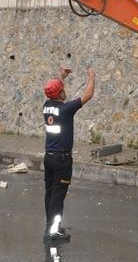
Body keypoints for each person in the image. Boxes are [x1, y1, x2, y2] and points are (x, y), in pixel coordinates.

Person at [42, 66, 95, 242]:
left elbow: (54, 91)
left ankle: (49, 227)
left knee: (50, 194)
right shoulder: (65, 110)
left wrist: (61, 76)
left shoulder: (47, 106)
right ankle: (53, 232)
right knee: (58, 196)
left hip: (49, 158)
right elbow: (87, 96)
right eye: (62, 89)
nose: (65, 92)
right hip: (62, 160)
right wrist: (91, 78)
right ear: (60, 93)